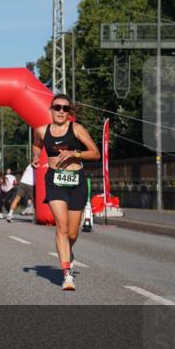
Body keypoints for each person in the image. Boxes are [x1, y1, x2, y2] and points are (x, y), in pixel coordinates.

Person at [32, 94, 99, 291]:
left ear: (69, 112)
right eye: (57, 107)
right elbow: (37, 145)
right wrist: (36, 156)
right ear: (50, 109)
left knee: (71, 232)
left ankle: (69, 251)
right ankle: (67, 275)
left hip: (77, 182)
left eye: (65, 108)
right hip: (55, 182)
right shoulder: (42, 131)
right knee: (61, 227)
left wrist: (75, 153)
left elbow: (95, 153)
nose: (61, 111)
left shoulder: (76, 129)